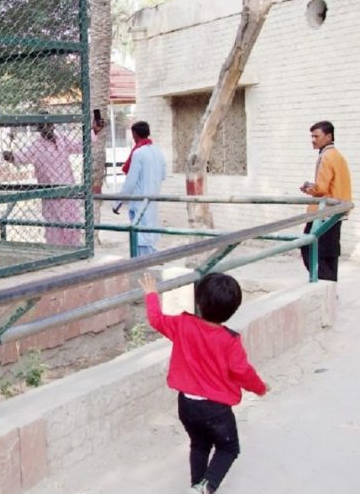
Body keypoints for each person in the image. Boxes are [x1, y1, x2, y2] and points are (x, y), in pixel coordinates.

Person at [138, 272, 267, 494]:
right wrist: (260, 388)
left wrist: (151, 295)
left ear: (199, 301)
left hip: (187, 404)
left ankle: (196, 486)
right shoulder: (230, 340)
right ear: (233, 308)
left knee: (199, 445)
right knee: (228, 448)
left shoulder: (183, 325)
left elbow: (156, 319)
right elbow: (241, 371)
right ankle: (206, 487)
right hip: (215, 409)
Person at [3, 113, 102, 246]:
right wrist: (10, 155)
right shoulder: (36, 145)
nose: (46, 128)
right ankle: (57, 252)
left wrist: (94, 131)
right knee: (54, 227)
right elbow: (21, 157)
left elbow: (80, 145)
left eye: (48, 124)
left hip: (69, 190)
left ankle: (73, 251)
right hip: (51, 193)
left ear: (53, 125)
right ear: (38, 128)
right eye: (42, 126)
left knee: (73, 223)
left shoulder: (62, 139)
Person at [298, 120, 352, 281]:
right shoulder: (337, 155)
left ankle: (324, 285)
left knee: (309, 248)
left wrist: (309, 189)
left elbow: (321, 188)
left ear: (328, 136)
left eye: (316, 136)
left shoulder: (326, 157)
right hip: (337, 211)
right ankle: (330, 288)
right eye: (312, 136)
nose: (313, 140)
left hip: (324, 213)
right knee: (329, 253)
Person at [113, 121, 166, 256]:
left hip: (139, 200)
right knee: (148, 232)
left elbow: (130, 181)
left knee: (140, 235)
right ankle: (151, 259)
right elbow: (162, 176)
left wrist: (117, 202)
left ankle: (144, 264)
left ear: (135, 135)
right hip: (153, 197)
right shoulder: (158, 152)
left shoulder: (138, 153)